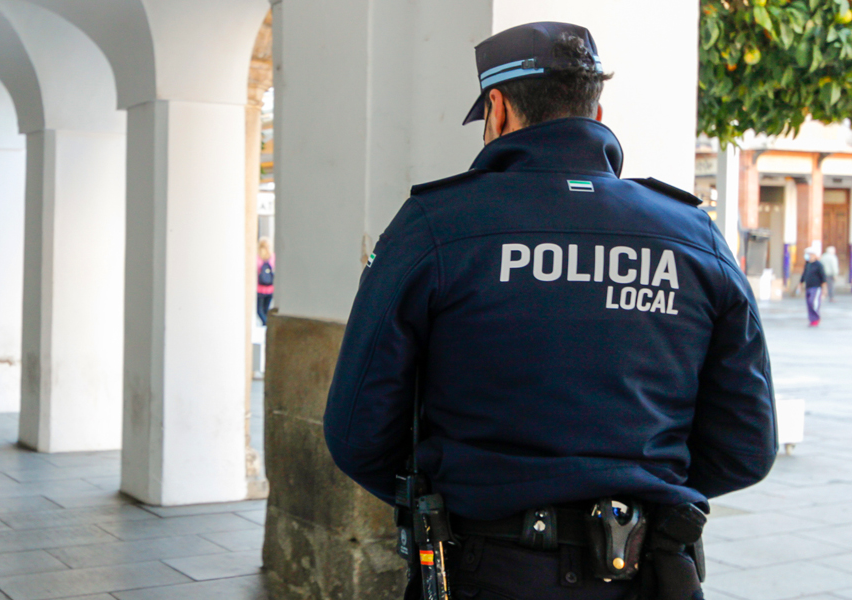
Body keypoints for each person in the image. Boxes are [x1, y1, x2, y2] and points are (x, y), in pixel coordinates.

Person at [322, 22, 776, 600]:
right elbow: (748, 445)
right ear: (597, 110)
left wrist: (459, 490)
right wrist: (642, 490)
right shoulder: (692, 236)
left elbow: (356, 431)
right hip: (650, 572)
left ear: (498, 109)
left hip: (485, 568)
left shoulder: (436, 227)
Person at [796, 248, 827, 326]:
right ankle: (812, 319)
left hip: (816, 287)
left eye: (809, 254)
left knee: (813, 302)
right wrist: (800, 284)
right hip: (808, 286)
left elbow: (823, 276)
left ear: (813, 255)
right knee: (808, 303)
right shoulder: (807, 264)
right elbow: (804, 275)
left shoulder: (818, 265)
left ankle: (816, 317)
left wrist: (824, 288)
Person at [256, 237, 275, 326]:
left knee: (259, 311)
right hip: (270, 289)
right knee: (266, 310)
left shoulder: (257, 258)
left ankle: (266, 323)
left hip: (260, 289)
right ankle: (267, 324)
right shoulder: (272, 257)